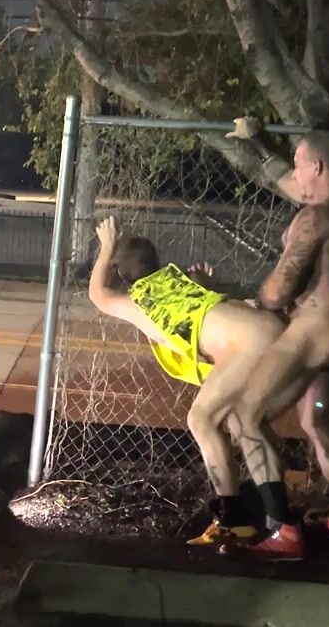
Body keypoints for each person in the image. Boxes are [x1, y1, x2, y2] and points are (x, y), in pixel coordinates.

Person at [88, 216, 295, 554]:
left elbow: (98, 294)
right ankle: (277, 524)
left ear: (122, 275)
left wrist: (106, 246)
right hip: (272, 330)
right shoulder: (179, 282)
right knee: (242, 422)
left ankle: (235, 521)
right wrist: (208, 284)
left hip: (250, 343)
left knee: (201, 419)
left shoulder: (141, 300)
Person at [215, 117, 329, 558]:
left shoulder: (313, 219)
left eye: (300, 165)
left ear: (317, 167)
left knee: (244, 416)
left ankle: (283, 528)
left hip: (311, 333)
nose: (295, 175)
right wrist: (259, 142)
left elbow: (278, 291)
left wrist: (249, 301)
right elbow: (289, 183)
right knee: (315, 422)